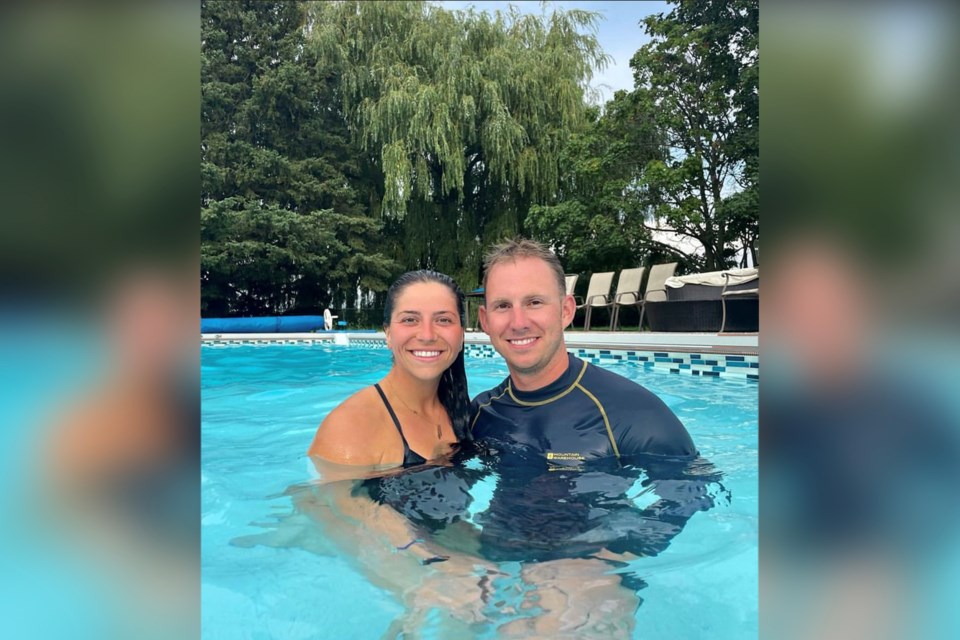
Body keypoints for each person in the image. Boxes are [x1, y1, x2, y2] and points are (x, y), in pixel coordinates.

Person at [471, 237, 697, 462]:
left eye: (535, 302)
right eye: (503, 306)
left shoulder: (634, 414)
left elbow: (689, 495)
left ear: (566, 311)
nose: (518, 323)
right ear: (486, 320)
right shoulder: (480, 416)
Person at [307, 270, 472, 467]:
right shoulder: (350, 428)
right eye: (410, 320)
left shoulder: (463, 411)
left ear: (461, 335)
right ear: (388, 334)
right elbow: (321, 497)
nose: (427, 335)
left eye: (443, 320)